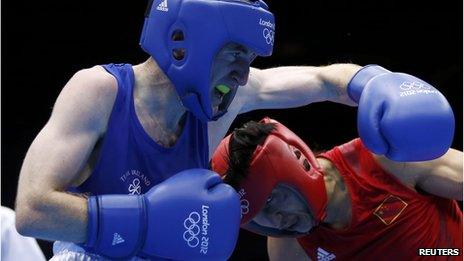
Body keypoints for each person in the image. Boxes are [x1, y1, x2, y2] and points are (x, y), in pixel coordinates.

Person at [14, 0, 455, 259]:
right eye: (236, 55)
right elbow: (32, 211)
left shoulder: (226, 103)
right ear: (190, 43)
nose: (245, 76)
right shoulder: (99, 90)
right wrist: (146, 221)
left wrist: (375, 82)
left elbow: (324, 81)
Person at [211, 117, 462, 260]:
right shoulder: (288, 249)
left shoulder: (388, 160)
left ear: (296, 162)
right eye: (257, 214)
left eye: (270, 201)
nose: (275, 220)